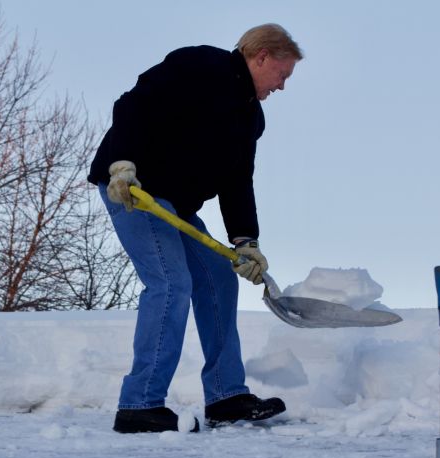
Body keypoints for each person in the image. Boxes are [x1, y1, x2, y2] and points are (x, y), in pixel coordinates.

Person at [88, 23, 303, 433]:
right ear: (262, 57)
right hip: (134, 190)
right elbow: (132, 105)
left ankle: (226, 397)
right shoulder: (199, 65)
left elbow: (237, 181)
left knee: (219, 278)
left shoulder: (250, 118)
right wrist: (123, 164)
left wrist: (246, 240)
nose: (282, 85)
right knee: (171, 283)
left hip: (176, 206)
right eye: (283, 74)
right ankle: (139, 404)